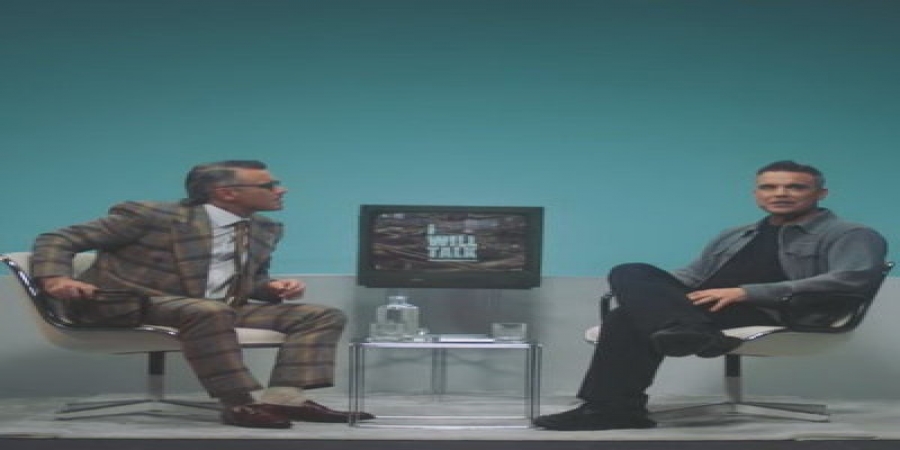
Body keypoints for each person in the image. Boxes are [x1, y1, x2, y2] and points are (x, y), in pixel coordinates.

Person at [534, 160, 888, 431]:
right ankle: (685, 330)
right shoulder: (736, 234)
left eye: (795, 187)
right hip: (703, 308)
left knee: (625, 317)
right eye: (769, 187)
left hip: (776, 311)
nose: (780, 193)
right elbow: (692, 276)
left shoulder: (850, 234)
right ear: (757, 194)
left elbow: (851, 280)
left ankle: (612, 409)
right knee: (630, 270)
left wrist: (746, 292)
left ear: (821, 194)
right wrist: (649, 290)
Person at [31, 160, 374, 429]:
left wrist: (271, 288)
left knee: (320, 314)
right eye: (269, 185)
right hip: (130, 303)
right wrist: (55, 278)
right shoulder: (151, 216)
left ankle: (285, 399)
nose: (281, 190)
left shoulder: (264, 228)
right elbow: (57, 239)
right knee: (208, 311)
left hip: (213, 306)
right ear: (227, 193)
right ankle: (239, 403)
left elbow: (248, 281)